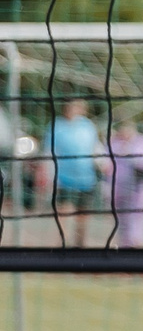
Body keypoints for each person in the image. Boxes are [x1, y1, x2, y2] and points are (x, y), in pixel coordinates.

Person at [46, 98, 103, 248]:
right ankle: (60, 244)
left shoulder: (88, 126)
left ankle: (80, 245)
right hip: (64, 178)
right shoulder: (56, 126)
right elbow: (48, 152)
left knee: (83, 215)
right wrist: (48, 174)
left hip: (86, 179)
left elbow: (95, 147)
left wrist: (103, 163)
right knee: (63, 213)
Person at [105, 116, 143, 250]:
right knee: (121, 219)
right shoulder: (113, 143)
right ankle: (124, 246)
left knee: (138, 217)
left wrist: (135, 159)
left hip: (139, 187)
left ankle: (136, 245)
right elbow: (106, 164)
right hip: (118, 187)